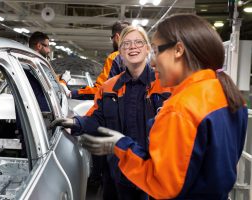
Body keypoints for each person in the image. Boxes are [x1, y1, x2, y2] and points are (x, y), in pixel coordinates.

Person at [80, 14, 248, 199]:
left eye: (157, 51)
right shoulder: (229, 95)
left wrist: (121, 146)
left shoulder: (180, 108)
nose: (153, 61)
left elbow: (162, 185)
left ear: (178, 50)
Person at [53, 25, 171, 200]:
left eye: (138, 42)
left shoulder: (165, 84)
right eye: (126, 44)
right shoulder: (109, 88)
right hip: (119, 172)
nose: (133, 47)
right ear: (120, 53)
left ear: (147, 49)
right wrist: (77, 123)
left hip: (155, 175)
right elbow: (98, 119)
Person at [60, 20, 130, 100]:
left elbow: (100, 89)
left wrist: (71, 93)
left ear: (117, 37)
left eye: (112, 38)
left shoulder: (116, 57)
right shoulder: (143, 58)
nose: (112, 42)